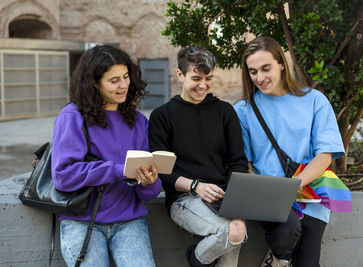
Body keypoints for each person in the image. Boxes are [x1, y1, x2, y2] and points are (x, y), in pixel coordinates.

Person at [234, 36, 345, 267]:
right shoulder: (243, 110)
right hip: (269, 196)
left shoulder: (315, 101)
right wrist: (270, 191)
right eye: (253, 72)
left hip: (311, 193)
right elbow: (243, 162)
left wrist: (296, 184)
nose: (260, 78)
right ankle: (278, 260)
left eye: (266, 69)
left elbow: (324, 155)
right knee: (287, 230)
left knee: (308, 262)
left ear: (282, 64)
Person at [51, 45, 162, 267]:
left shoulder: (139, 122)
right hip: (82, 221)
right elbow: (63, 175)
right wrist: (117, 170)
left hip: (129, 220)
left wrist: (150, 182)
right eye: (114, 81)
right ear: (94, 82)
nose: (123, 85)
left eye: (126, 76)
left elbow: (149, 193)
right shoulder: (73, 116)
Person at [149, 46, 248, 267]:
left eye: (209, 78)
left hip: (224, 196)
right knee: (228, 232)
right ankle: (197, 259)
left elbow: (238, 162)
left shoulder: (225, 112)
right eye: (196, 78)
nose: (203, 85)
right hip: (183, 199)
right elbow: (162, 172)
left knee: (238, 230)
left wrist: (237, 202)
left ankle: (198, 259)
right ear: (180, 75)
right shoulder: (161, 116)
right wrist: (196, 186)